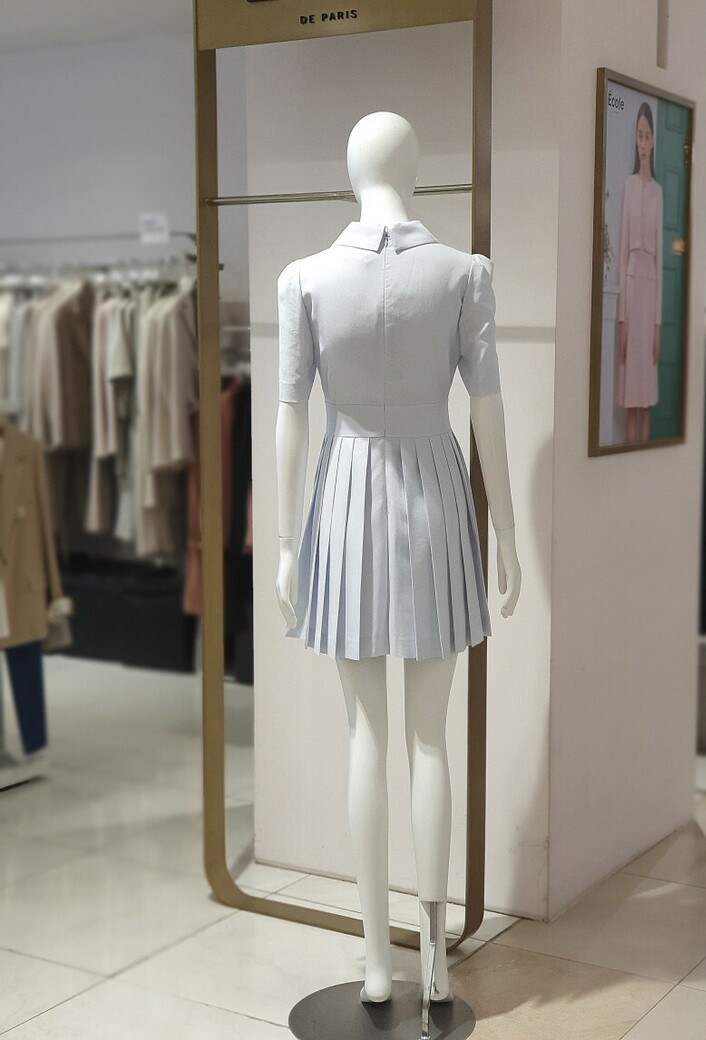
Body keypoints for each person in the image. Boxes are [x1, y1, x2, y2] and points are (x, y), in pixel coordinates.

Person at [274, 112, 521, 1008]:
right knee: (429, 740)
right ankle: (435, 963)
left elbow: (291, 413)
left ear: (350, 171)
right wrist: (509, 533)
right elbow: (487, 410)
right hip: (436, 503)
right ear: (415, 169)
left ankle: (379, 962)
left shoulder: (304, 277)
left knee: (366, 739)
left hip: (342, 500)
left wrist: (288, 543)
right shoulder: (463, 273)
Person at [616, 101, 664, 444]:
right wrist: (622, 321)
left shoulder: (658, 192)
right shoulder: (629, 186)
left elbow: (660, 262)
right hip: (631, 299)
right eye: (639, 135)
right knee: (630, 403)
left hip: (649, 301)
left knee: (645, 402)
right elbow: (621, 256)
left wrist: (657, 328)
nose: (643, 142)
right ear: (635, 139)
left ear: (653, 141)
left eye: (648, 136)